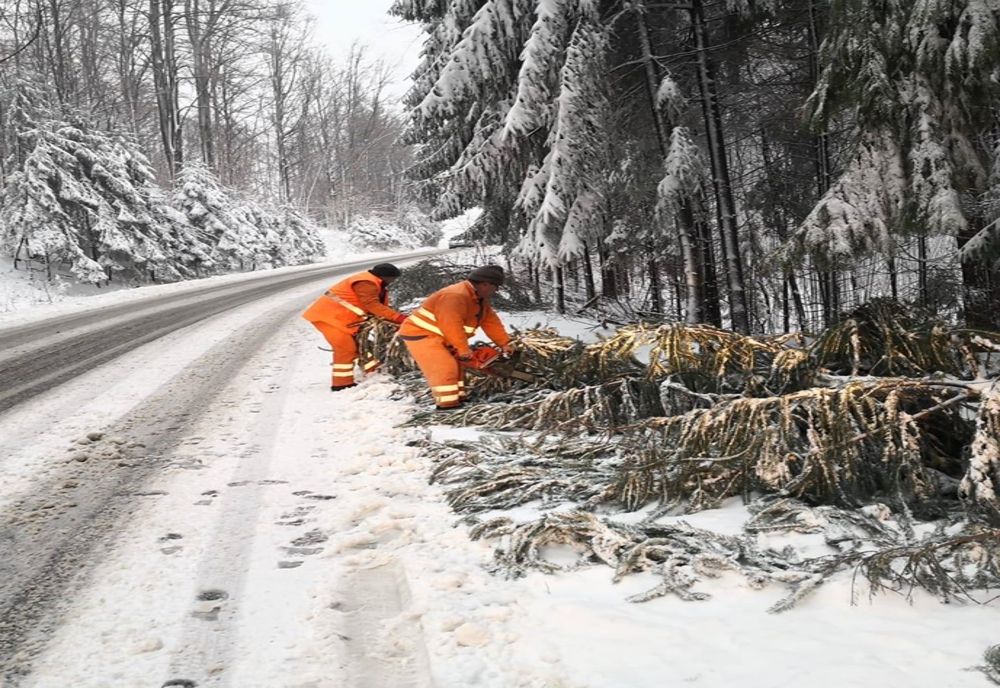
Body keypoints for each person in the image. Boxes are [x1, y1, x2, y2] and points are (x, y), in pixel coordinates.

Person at [398, 265, 514, 409]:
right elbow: (451, 324)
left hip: (444, 336)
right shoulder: (455, 296)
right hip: (421, 334)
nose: (496, 291)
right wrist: (463, 349)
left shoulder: (478, 298)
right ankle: (447, 405)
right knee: (445, 367)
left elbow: (490, 321)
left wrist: (504, 343)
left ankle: (458, 397)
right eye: (496, 287)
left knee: (457, 367)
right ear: (486, 284)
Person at [302, 263, 407, 391]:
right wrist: (399, 318)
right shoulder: (366, 283)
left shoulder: (373, 282)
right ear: (385, 276)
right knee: (345, 349)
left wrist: (395, 318)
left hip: (341, 319)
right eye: (393, 279)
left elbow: (380, 308)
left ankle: (372, 370)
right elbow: (372, 305)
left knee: (359, 345)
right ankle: (341, 384)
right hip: (328, 318)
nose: (393, 282)